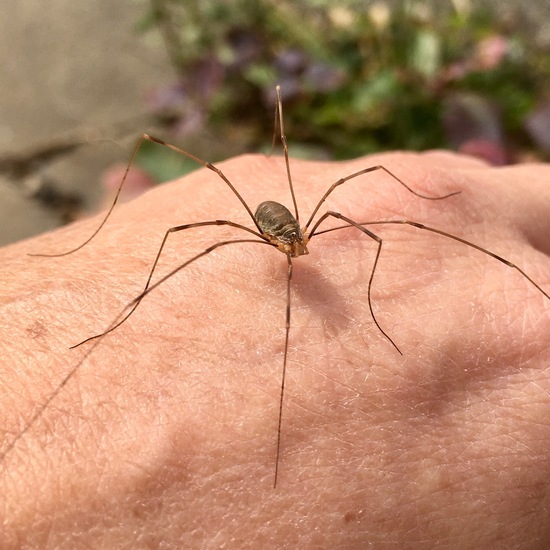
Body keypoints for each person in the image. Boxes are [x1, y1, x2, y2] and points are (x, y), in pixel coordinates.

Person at [1, 150, 550, 548]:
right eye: (296, 245)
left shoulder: (314, 229)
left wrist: (373, 302)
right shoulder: (260, 236)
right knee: (199, 235)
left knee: (385, 216)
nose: (302, 249)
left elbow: (377, 200)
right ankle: (113, 318)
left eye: (300, 242)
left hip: (283, 217)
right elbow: (184, 235)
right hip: (266, 219)